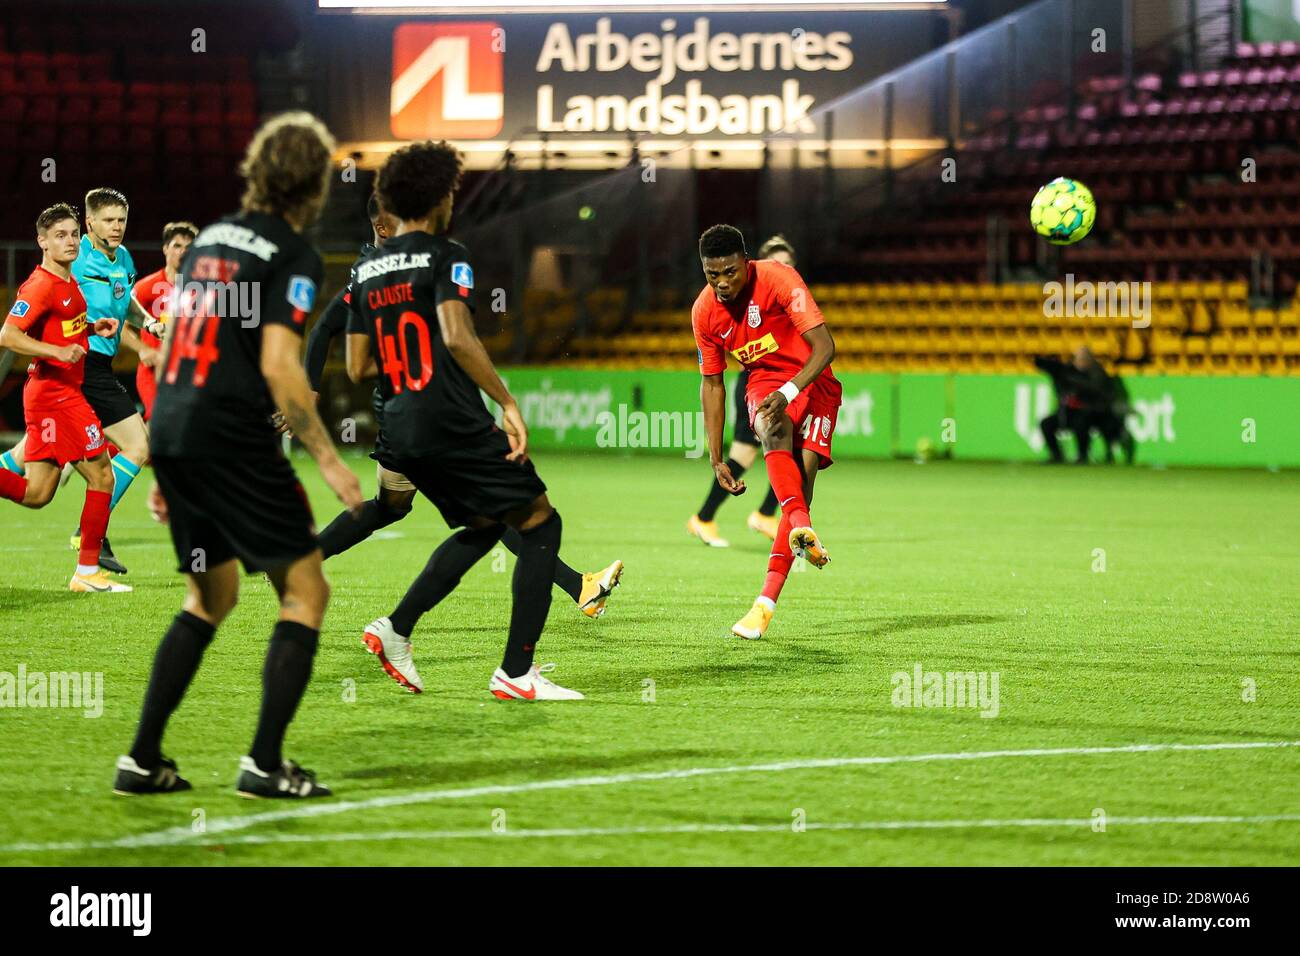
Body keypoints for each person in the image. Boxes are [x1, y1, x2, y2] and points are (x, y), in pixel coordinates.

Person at [113, 112, 364, 799]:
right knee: (306, 590)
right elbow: (283, 364)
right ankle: (264, 762)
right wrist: (330, 458)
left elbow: (178, 346)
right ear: (314, 184)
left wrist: (168, 455)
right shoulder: (292, 253)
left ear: (257, 170)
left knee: (212, 592)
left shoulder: (212, 240)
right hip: (230, 437)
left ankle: (141, 758)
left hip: (178, 424)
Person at [306, 195, 623, 618]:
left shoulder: (378, 270)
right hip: (421, 412)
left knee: (393, 507)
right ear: (385, 227)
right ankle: (408, 631)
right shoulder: (386, 271)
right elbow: (336, 337)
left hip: (403, 415)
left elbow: (345, 351)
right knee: (499, 508)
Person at [346, 140, 585, 700]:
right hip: (449, 418)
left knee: (482, 524)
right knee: (539, 522)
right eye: (451, 190)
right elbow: (457, 335)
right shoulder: (446, 253)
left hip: (398, 426)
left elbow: (357, 366)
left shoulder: (367, 268)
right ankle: (517, 672)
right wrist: (506, 401)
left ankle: (396, 629)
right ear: (437, 198)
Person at [691, 225, 842, 640]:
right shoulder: (704, 312)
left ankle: (765, 604)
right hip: (763, 381)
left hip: (815, 381)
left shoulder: (778, 277)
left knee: (801, 490)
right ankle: (770, 591)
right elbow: (713, 383)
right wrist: (715, 455)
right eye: (711, 275)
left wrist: (793, 388)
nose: (722, 283)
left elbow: (825, 346)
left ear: (746, 261)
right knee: (771, 430)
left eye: (730, 272)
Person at [0, 203, 130, 593]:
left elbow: (64, 326)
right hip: (55, 396)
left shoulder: (68, 280)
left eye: (74, 234)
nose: (70, 241)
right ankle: (87, 573)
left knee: (39, 493)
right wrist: (55, 353)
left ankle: (86, 573)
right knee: (103, 475)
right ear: (42, 241)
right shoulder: (41, 285)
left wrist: (92, 326)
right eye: (60, 235)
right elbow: (8, 335)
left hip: (58, 394)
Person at [685, 234, 792, 547]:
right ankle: (707, 517)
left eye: (789, 263)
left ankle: (758, 515)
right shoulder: (749, 296)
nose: (784, 267)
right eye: (778, 262)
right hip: (758, 384)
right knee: (746, 455)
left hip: (784, 383)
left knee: (784, 451)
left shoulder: (791, 295)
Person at [133, 221, 198, 523]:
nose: (183, 252)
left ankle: (95, 445)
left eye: (188, 246)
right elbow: (119, 322)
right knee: (165, 433)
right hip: (152, 375)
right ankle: (164, 492)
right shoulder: (147, 288)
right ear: (165, 250)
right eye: (177, 246)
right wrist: (143, 349)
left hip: (185, 377)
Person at [1035, 346, 1110, 464]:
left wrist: (1075, 383)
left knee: (1081, 423)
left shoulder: (1096, 372)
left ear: (1090, 359)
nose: (1081, 361)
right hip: (1069, 412)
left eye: (1084, 358)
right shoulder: (1069, 371)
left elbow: (1096, 390)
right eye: (1079, 358)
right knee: (1046, 424)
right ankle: (1056, 455)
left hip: (1092, 412)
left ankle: (1082, 455)